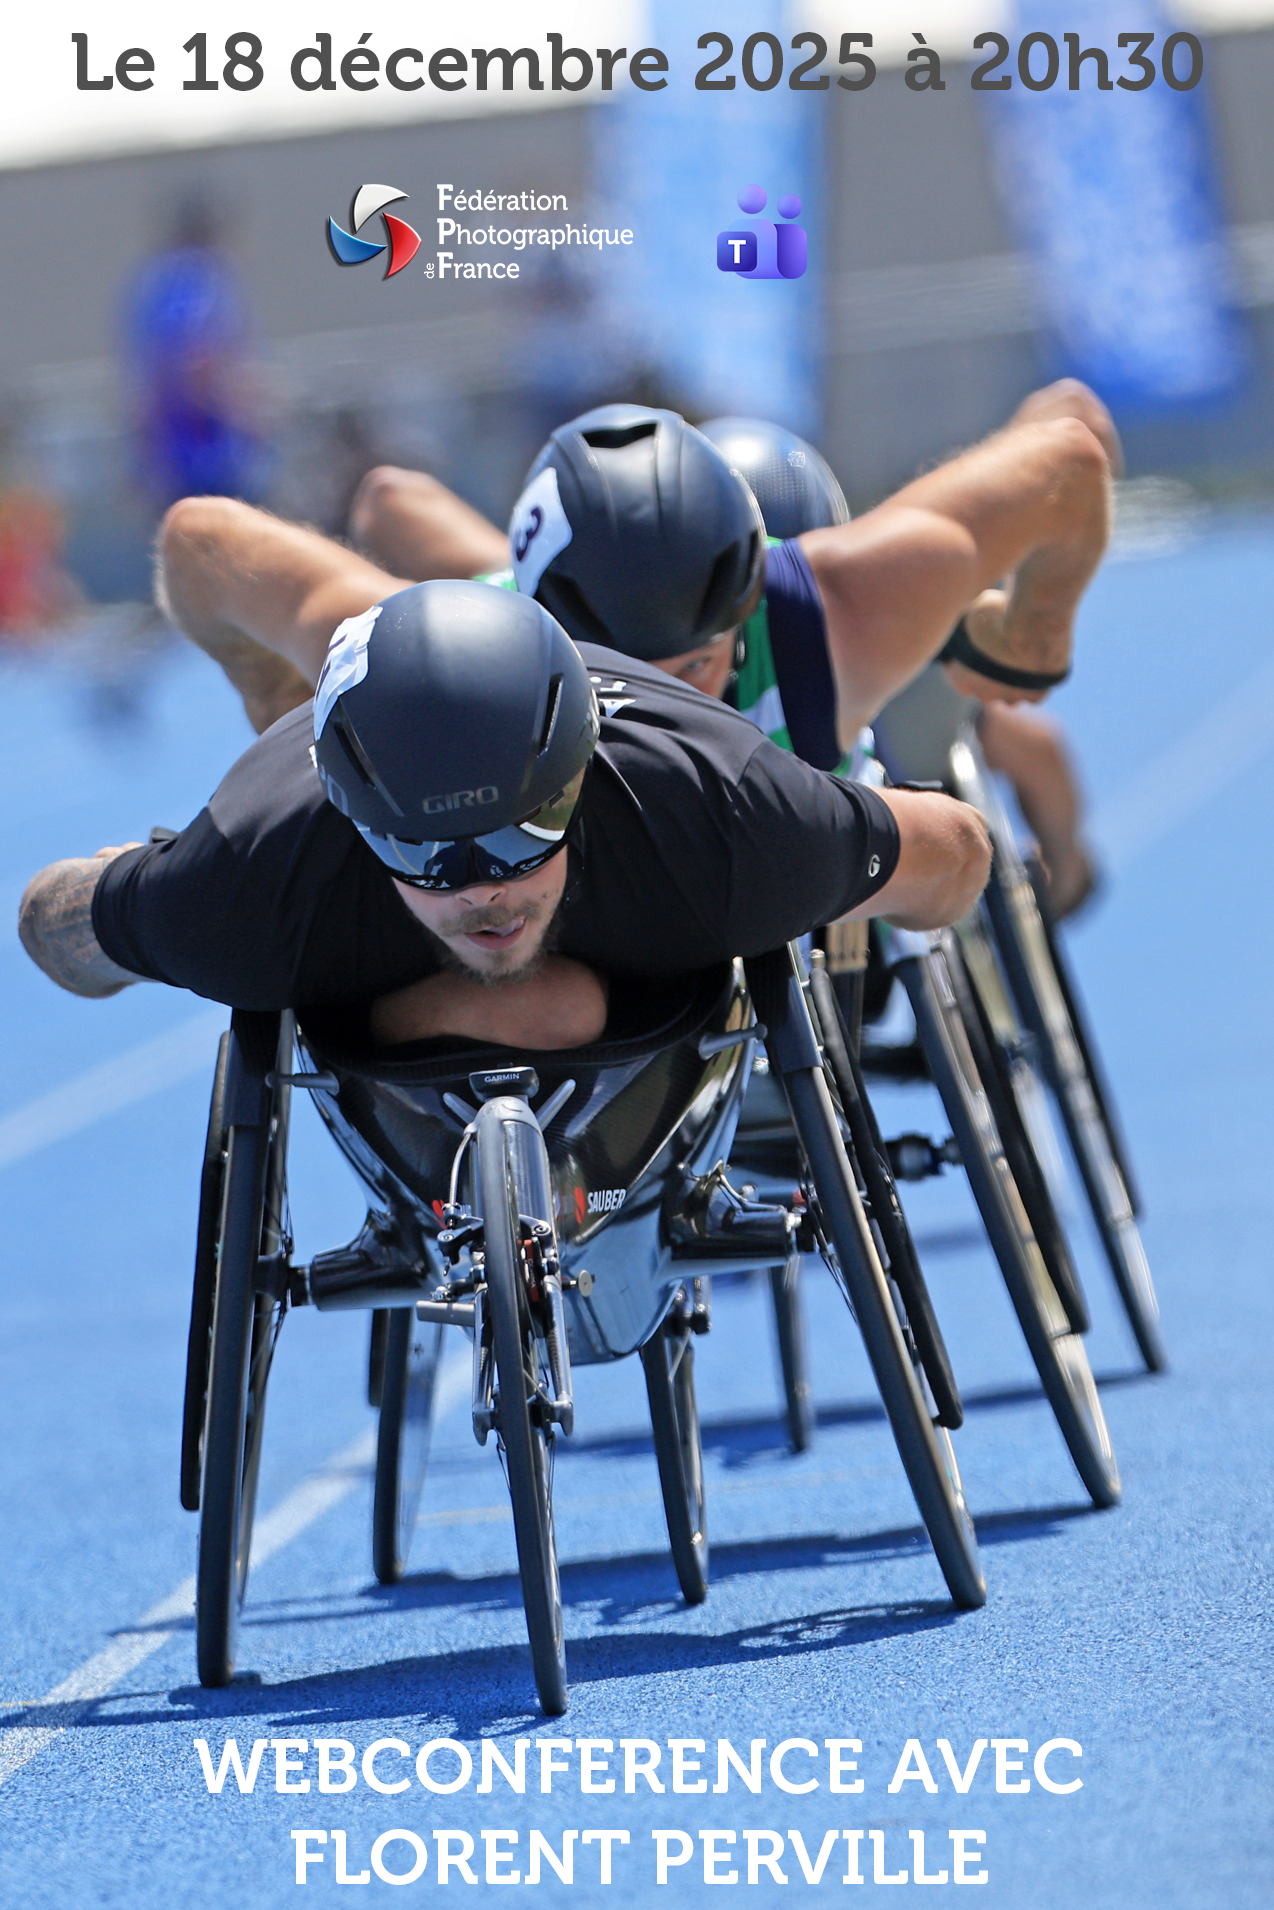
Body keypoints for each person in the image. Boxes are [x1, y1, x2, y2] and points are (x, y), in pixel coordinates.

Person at [18, 570, 992, 1053]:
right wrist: (133, 893)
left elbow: (956, 851)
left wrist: (866, 910)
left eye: (520, 834)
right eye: (426, 853)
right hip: (329, 905)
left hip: (664, 873)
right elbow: (47, 921)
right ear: (358, 826)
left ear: (579, 782)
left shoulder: (730, 819)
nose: (482, 887)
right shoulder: (238, 892)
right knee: (206, 534)